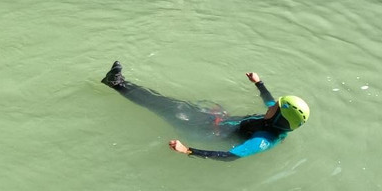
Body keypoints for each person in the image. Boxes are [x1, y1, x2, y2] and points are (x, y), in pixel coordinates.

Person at [101, 62, 309, 161]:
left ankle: (116, 84)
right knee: (170, 103)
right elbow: (269, 100)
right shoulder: (276, 119)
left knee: (164, 106)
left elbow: (230, 156)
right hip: (219, 121)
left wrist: (189, 150)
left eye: (275, 108)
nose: (271, 106)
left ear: (280, 117)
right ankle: (120, 84)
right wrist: (259, 82)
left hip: (205, 131)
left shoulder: (263, 140)